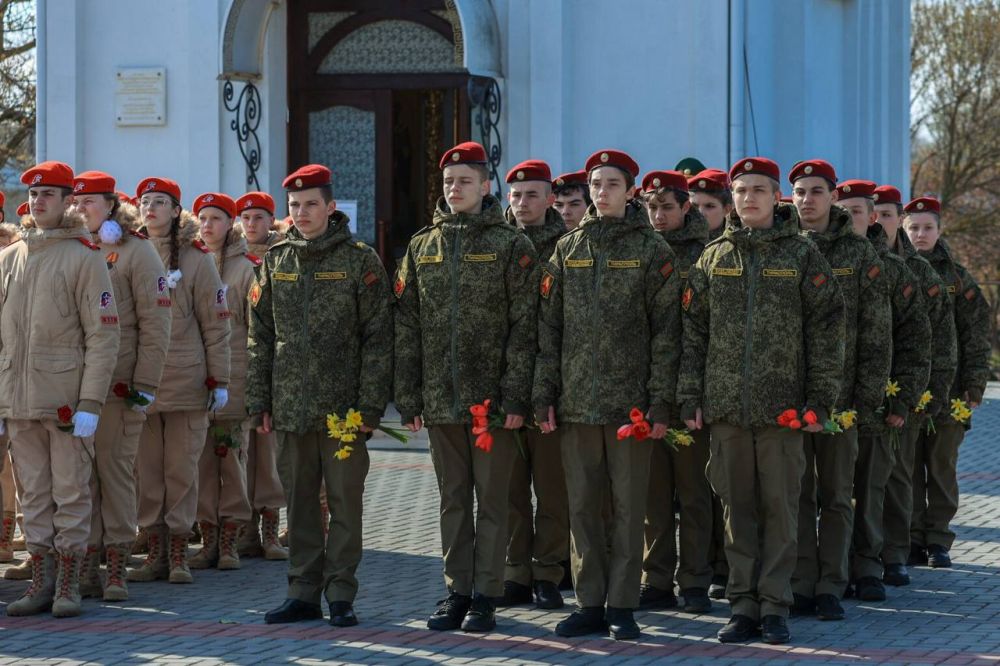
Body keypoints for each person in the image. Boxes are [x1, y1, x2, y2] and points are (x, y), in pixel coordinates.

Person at [679, 157, 845, 645]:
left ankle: (775, 606)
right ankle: (742, 605)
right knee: (737, 512)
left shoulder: (802, 256)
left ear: (778, 197)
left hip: (783, 410)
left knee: (781, 510)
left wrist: (820, 400)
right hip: (728, 409)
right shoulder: (712, 258)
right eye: (741, 189)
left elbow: (827, 331)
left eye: (758, 189)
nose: (748, 198)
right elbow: (693, 333)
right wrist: (691, 395)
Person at [534, 149, 681, 640]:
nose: (601, 192)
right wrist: (544, 394)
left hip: (630, 407)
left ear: (630, 190)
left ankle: (622, 603)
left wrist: (661, 402)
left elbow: (667, 333)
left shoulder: (651, 250)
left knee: (627, 508)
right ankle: (589, 602)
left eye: (611, 184)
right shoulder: (567, 248)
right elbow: (548, 327)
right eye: (596, 184)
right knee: (582, 508)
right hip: (577, 404)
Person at [395, 142, 538, 633]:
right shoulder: (421, 247)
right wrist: (409, 396)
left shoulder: (511, 246)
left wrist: (516, 395)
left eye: (464, 181)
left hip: (492, 402)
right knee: (452, 498)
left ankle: (487, 595)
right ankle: (456, 590)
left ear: (485, 186)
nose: (455, 189)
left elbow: (526, 327)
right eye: (449, 181)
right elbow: (407, 326)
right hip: (440, 398)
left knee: (493, 500)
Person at [248, 164, 393, 627]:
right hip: (290, 406)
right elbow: (260, 334)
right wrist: (260, 401)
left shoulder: (359, 259)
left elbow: (378, 337)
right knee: (301, 502)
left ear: (331, 208)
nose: (302, 212)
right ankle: (303, 592)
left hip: (344, 410)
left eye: (311, 204)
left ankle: (342, 594)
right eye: (294, 206)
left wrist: (370, 406)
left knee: (346, 503)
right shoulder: (276, 260)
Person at [0, 161, 121, 617]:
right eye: (33, 195)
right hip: (19, 399)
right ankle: (42, 579)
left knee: (70, 491)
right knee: (33, 493)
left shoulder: (85, 258)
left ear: (69, 200)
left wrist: (91, 400)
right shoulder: (8, 259)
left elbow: (104, 336)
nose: (39, 202)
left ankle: (69, 582)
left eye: (49, 194)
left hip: (67, 400)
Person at [788, 161, 890, 621]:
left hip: (842, 402)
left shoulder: (859, 255)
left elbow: (876, 333)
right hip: (788, 398)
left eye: (815, 191)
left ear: (833, 197)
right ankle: (800, 583)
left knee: (835, 496)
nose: (806, 200)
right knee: (796, 495)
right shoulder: (783, 247)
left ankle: (831, 583)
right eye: (799, 191)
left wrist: (866, 398)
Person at [71, 170, 171, 602]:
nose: (80, 210)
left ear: (111, 205)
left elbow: (156, 323)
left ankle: (115, 567)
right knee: (80, 480)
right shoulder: (72, 248)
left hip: (120, 385)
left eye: (89, 202)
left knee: (114, 475)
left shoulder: (136, 251)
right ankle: (86, 565)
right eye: (74, 202)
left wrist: (145, 382)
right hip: (75, 387)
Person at [128, 177, 231, 585]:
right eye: (144, 201)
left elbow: (217, 325)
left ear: (175, 211)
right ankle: (154, 550)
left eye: (159, 202)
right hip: (142, 383)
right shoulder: (129, 253)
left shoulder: (197, 258)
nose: (150, 208)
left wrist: (219, 379)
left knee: (181, 472)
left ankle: (178, 556)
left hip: (187, 382)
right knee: (147, 472)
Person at [637, 170, 714, 614]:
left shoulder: (705, 254)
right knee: (653, 497)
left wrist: (695, 393)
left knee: (694, 494)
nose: (659, 216)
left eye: (668, 207)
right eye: (652, 207)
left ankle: (696, 581)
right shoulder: (642, 250)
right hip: (646, 392)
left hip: (690, 394)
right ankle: (657, 579)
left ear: (686, 208)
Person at [874, 185, 956, 586]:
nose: (879, 222)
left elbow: (938, 342)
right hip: (859, 392)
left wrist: (928, 394)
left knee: (899, 475)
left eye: (887, 215)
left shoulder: (920, 274)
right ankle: (862, 555)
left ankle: (896, 551)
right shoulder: (855, 262)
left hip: (905, 390)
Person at [904, 196, 990, 569]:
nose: (921, 235)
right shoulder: (896, 270)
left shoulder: (957, 278)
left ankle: (937, 539)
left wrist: (974, 385)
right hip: (905, 389)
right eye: (914, 228)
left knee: (940, 469)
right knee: (905, 470)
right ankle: (908, 538)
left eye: (927, 228)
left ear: (939, 231)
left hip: (950, 391)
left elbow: (976, 334)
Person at [498, 159, 569, 611]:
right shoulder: (496, 241)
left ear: (550, 200)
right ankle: (514, 572)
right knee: (507, 488)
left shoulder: (568, 243)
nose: (522, 203)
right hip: (504, 380)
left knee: (552, 486)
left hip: (555, 382)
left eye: (531, 195)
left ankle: (548, 571)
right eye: (516, 195)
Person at [850, 217, 931, 601]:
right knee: (823, 495)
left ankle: (882, 559)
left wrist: (904, 397)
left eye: (858, 212)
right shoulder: (807, 256)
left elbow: (919, 338)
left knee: (877, 486)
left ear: (873, 219)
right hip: (821, 403)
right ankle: (825, 573)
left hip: (877, 401)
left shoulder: (895, 270)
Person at [190, 192, 255, 571]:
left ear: (230, 224)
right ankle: (208, 538)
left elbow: (255, 329)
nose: (208, 226)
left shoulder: (245, 268)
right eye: (203, 218)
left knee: (230, 458)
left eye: (216, 218)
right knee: (199, 462)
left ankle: (230, 540)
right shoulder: (193, 263)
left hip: (234, 376)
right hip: (196, 378)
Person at [234, 191, 287, 561]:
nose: (251, 224)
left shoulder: (281, 256)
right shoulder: (228, 256)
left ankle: (270, 531)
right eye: (245, 217)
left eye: (258, 217)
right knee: (242, 453)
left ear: (271, 221)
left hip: (271, 367)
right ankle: (245, 531)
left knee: (267, 457)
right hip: (237, 364)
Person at [688, 169, 732, 242]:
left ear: (727, 210)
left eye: (709, 206)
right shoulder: (674, 242)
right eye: (694, 206)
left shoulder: (737, 244)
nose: (700, 213)